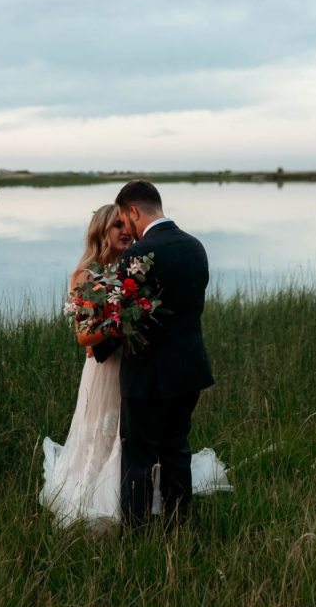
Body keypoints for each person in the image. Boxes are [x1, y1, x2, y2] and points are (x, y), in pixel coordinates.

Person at [39, 201, 230, 532]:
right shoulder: (84, 276)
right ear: (101, 232)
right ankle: (110, 502)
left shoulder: (137, 268)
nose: (126, 231)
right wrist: (115, 326)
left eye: (126, 224)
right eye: (116, 226)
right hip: (104, 371)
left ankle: (148, 503)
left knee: (136, 440)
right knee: (107, 437)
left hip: (139, 367)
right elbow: (83, 337)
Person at [94, 180, 221, 527]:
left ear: (133, 211)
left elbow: (125, 318)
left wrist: (98, 347)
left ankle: (136, 535)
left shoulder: (138, 255)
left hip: (148, 375)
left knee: (138, 456)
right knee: (177, 450)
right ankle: (179, 527)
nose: (129, 231)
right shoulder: (196, 247)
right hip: (190, 369)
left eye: (125, 218)